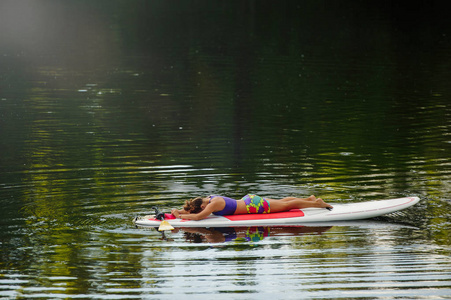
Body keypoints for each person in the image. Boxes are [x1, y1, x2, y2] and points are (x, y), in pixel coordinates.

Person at [171, 194, 333, 221]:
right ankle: (308, 199)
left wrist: (180, 217)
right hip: (250, 201)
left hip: (254, 206)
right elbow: (192, 211)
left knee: (287, 205)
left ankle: (316, 204)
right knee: (282, 201)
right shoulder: (208, 199)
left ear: (203, 205)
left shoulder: (214, 204)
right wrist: (176, 211)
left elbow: (200, 217)